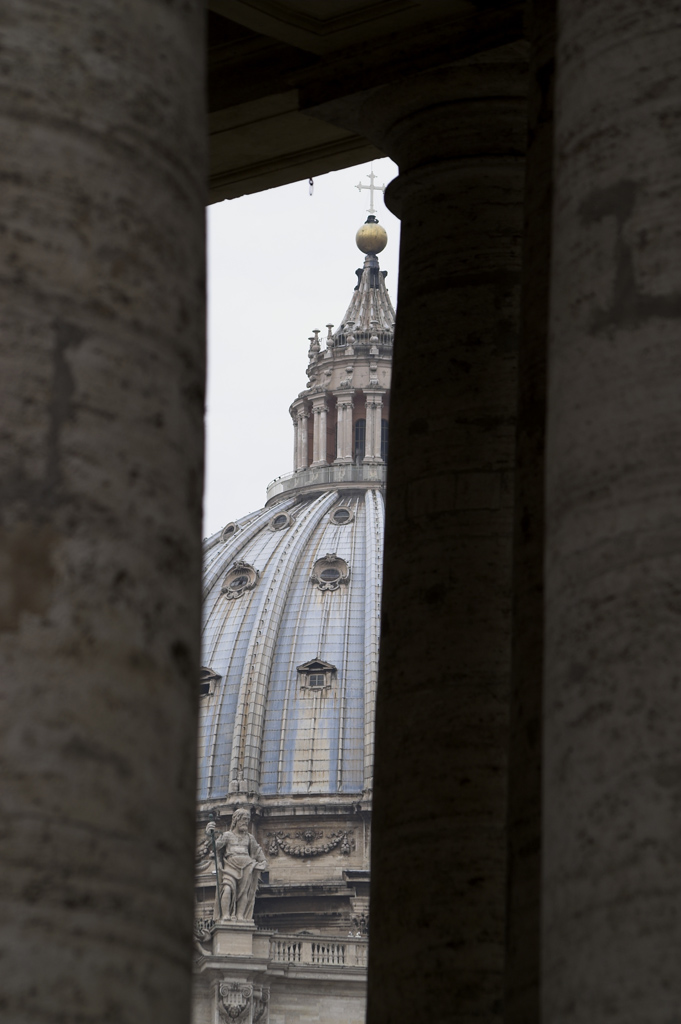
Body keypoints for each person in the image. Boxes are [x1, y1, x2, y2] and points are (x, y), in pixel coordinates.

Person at [206, 808, 267, 922]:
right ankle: (225, 915)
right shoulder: (227, 835)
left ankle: (240, 916)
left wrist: (263, 862)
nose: (246, 823)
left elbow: (257, 851)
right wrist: (210, 835)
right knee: (227, 888)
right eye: (244, 819)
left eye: (248, 820)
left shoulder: (249, 837)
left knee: (244, 892)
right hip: (230, 866)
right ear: (236, 820)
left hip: (247, 867)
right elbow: (215, 846)